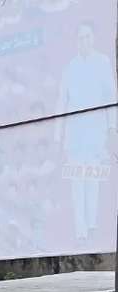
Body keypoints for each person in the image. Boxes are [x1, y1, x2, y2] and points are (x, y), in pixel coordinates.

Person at [58, 20, 117, 244]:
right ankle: (81, 231)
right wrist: (60, 136)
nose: (84, 42)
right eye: (80, 38)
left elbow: (110, 96)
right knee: (77, 180)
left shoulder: (103, 62)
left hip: (96, 131)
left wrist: (112, 127)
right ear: (76, 42)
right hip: (75, 132)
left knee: (92, 179)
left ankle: (92, 226)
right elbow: (62, 102)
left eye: (87, 37)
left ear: (93, 38)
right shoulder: (70, 67)